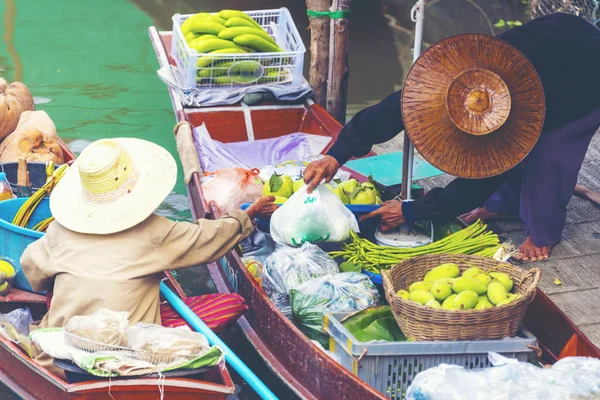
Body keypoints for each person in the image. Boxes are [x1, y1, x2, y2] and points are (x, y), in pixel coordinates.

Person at [304, 13, 600, 262]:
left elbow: (484, 178)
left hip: (585, 72)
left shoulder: (511, 121)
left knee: (548, 155)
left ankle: (542, 233)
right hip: (548, 44)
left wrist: (411, 211)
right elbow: (390, 110)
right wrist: (336, 154)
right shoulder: (445, 83)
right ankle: (504, 205)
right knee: (509, 156)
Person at [20, 137, 277, 378]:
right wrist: (246, 216)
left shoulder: (58, 230)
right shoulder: (156, 232)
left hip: (62, 350)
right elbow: (206, 238)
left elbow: (32, 270)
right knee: (231, 303)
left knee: (53, 291)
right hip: (128, 350)